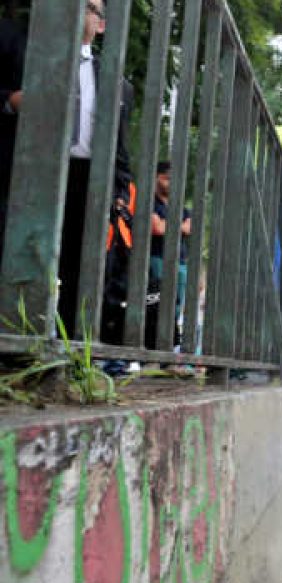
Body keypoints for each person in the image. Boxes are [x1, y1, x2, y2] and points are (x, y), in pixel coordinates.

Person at [0, 0, 133, 336]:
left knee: (77, 265)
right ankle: (14, 338)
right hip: (29, 171)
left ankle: (66, 347)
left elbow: (119, 147)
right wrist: (11, 100)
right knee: (20, 253)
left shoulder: (118, 83)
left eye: (88, 6)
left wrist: (119, 192)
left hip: (86, 178)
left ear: (101, 25)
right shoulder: (24, 51)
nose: (78, 10)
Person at [148, 161, 190, 347]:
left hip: (180, 261)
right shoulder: (150, 202)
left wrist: (167, 225)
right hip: (157, 258)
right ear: (157, 177)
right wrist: (179, 226)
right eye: (167, 178)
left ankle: (168, 345)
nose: (171, 183)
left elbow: (190, 228)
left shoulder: (180, 206)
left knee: (176, 304)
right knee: (156, 302)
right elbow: (156, 228)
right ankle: (153, 344)